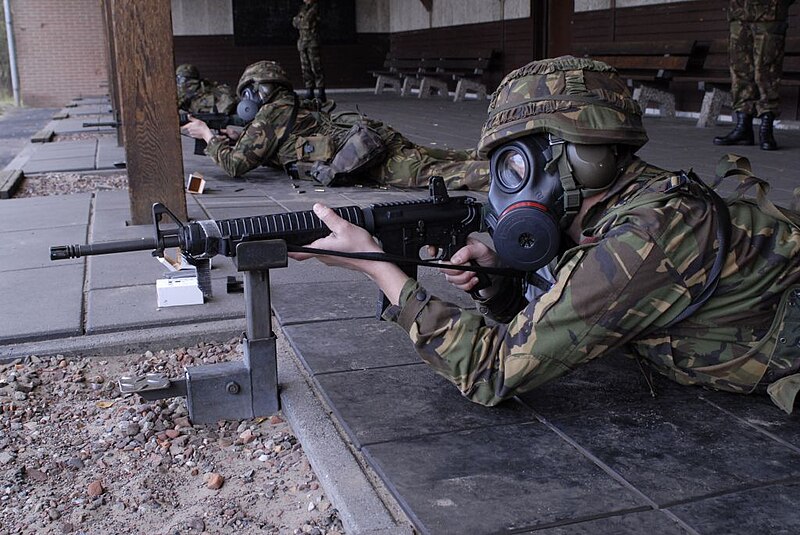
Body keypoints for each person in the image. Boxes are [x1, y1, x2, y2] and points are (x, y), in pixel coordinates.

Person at [289, 56, 800, 415]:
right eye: (508, 164)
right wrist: (494, 280)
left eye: (524, 160)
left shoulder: (645, 238)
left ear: (588, 157)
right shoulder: (621, 208)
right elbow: (550, 318)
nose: (511, 186)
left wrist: (380, 271)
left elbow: (493, 372)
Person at [181, 60, 489, 190]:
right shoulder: (288, 106)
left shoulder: (270, 114)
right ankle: (494, 156)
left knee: (435, 175)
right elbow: (277, 145)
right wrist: (237, 135)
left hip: (368, 155)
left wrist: (208, 136)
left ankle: (508, 174)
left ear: (257, 90)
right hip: (372, 138)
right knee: (438, 156)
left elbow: (235, 166)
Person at [713, 0, 796, 150]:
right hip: (739, 13)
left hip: (769, 14)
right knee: (739, 71)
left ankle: (766, 128)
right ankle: (743, 127)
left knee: (767, 71)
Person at [292, 0, 326, 102]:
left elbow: (306, 22)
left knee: (316, 67)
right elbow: (294, 23)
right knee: (305, 68)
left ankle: (321, 91)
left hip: (312, 42)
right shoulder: (302, 8)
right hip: (302, 43)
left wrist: (300, 20)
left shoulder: (316, 8)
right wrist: (300, 20)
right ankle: (309, 89)